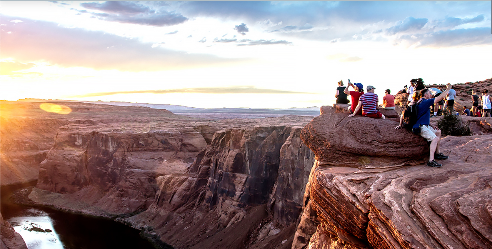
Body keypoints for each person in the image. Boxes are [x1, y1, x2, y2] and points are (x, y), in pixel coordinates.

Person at [411, 83, 452, 168]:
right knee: (435, 138)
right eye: (430, 93)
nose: (431, 94)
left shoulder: (420, 102)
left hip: (423, 125)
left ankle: (437, 153)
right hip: (420, 127)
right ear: (426, 95)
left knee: (438, 132)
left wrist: (431, 125)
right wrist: (448, 90)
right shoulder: (425, 101)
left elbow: (421, 115)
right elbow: (439, 98)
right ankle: (431, 160)